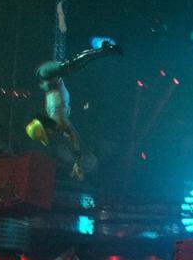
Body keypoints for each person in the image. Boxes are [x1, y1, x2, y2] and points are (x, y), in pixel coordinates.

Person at [26, 41, 122, 181]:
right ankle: (104, 50)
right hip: (45, 76)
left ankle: (104, 50)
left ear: (46, 129)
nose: (50, 136)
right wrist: (76, 162)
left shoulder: (59, 121)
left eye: (47, 134)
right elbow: (71, 136)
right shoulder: (56, 121)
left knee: (69, 65)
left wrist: (77, 161)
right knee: (70, 66)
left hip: (45, 74)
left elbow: (74, 136)